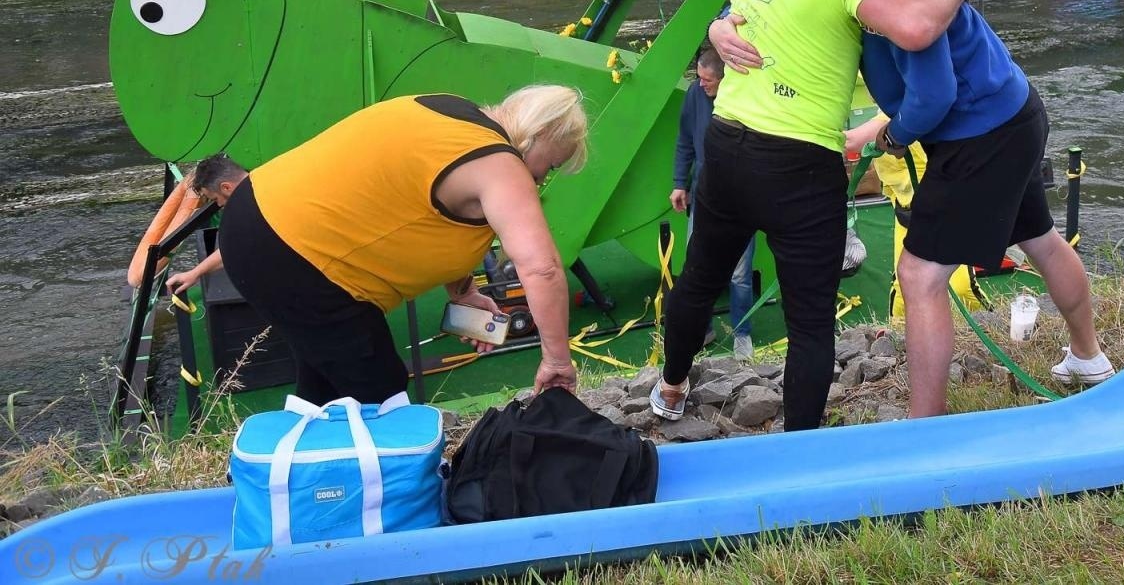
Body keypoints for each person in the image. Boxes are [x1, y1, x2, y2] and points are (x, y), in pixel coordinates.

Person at [720, 0, 1114, 418]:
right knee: (1039, 237)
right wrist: (719, 26)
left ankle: (923, 425)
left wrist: (897, 135)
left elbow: (935, 94)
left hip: (983, 132)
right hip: (1009, 111)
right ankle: (1088, 358)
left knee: (920, 273)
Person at [652, 0, 971, 431]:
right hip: (799, 163)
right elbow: (916, 28)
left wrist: (716, 27)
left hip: (727, 146)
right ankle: (799, 444)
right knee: (810, 320)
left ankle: (670, 388)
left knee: (699, 278)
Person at [221, 86, 588, 404]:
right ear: (540, 133)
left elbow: (431, 212)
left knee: (328, 382)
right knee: (380, 392)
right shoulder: (501, 163)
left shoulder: (453, 112)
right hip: (294, 255)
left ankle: (306, 458)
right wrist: (557, 361)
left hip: (255, 210)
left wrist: (464, 294)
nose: (543, 179)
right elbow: (541, 268)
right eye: (552, 165)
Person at [671, 47, 755, 361]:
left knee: (739, 273)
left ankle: (742, 334)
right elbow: (684, 140)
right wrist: (680, 182)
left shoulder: (745, 96)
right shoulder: (696, 94)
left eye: (708, 80)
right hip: (704, 193)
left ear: (724, 78)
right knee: (696, 266)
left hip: (740, 195)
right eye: (699, 78)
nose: (701, 84)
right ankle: (701, 330)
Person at [164, 154, 250, 293]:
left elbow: (235, 248)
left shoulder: (256, 207)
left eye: (215, 199)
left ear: (226, 187)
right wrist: (194, 274)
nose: (220, 205)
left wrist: (195, 273)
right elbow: (235, 247)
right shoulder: (267, 179)